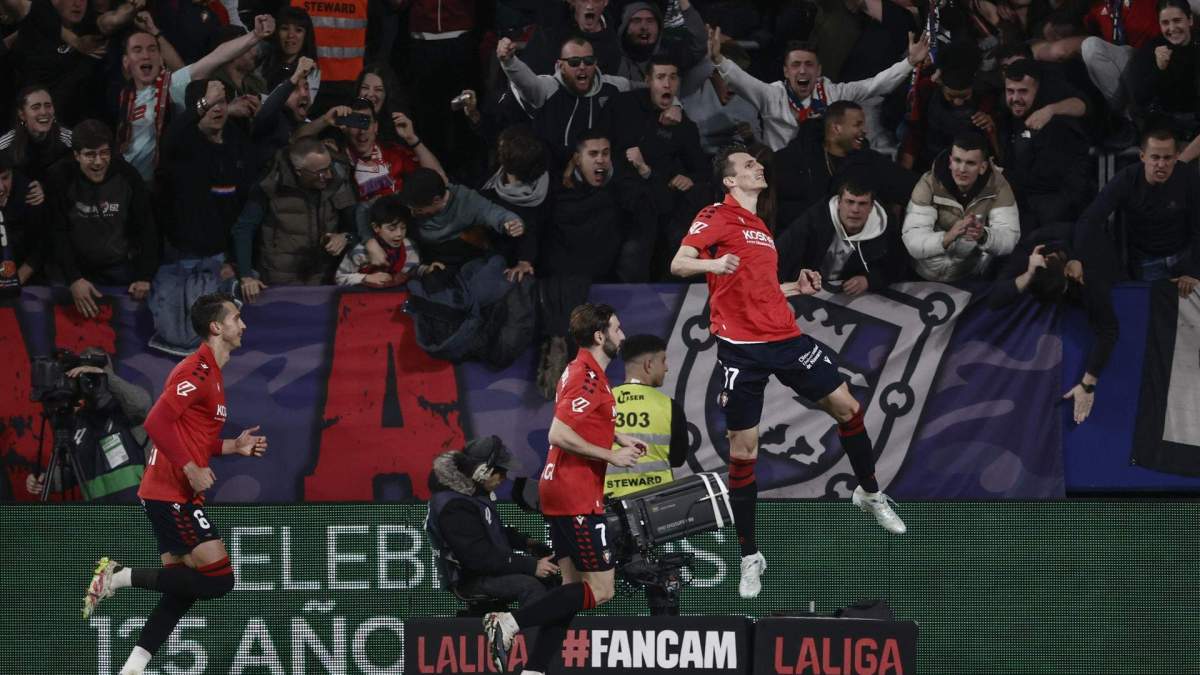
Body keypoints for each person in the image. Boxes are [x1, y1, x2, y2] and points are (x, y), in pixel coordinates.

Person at [669, 145, 906, 600]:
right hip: (742, 352)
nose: (758, 167)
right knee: (744, 452)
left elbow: (758, 290)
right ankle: (749, 556)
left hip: (784, 339)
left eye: (757, 164)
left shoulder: (760, 227)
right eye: (747, 165)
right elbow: (679, 263)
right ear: (730, 181)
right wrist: (712, 264)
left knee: (849, 408)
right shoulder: (716, 214)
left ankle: (869, 493)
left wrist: (795, 288)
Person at [81, 292, 269, 675]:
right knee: (219, 581)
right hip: (170, 492)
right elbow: (156, 423)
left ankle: (132, 668)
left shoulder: (211, 373)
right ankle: (118, 577)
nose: (243, 324)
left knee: (181, 591)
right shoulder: (195, 371)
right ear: (217, 327)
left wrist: (233, 446)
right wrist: (188, 467)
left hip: (172, 492)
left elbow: (190, 434)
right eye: (236, 318)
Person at [483, 303, 645, 675]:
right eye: (617, 329)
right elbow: (558, 432)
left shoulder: (585, 372)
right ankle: (509, 623)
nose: (623, 335)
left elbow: (584, 418)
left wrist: (619, 435)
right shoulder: (586, 376)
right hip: (575, 493)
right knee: (602, 590)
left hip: (560, 490)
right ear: (600, 336)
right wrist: (611, 455)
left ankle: (535, 669)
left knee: (571, 590)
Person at [706, 28, 931, 151]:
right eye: (796, 65)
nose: (802, 71)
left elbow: (875, 85)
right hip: (784, 170)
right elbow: (741, 81)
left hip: (826, 165)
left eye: (809, 64)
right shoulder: (772, 94)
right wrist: (717, 59)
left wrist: (909, 63)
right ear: (786, 72)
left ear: (819, 70)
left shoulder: (835, 93)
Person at [989, 222, 1119, 424]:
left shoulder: (1088, 276)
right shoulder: (1029, 253)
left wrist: (1087, 384)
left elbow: (1109, 330)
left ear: (1068, 273)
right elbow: (994, 300)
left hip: (1100, 249)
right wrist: (1029, 273)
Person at [427, 436, 558, 609]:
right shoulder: (455, 506)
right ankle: (533, 635)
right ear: (482, 471)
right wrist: (531, 565)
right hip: (471, 579)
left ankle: (544, 632)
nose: (504, 477)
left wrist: (527, 543)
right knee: (531, 586)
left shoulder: (473, 495)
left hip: (488, 571)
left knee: (551, 578)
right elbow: (479, 558)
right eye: (501, 471)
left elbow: (491, 532)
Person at [49, 119, 159, 318]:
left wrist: (145, 275)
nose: (98, 161)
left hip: (118, 267)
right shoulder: (60, 177)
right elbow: (57, 232)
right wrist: (74, 278)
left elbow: (147, 228)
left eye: (104, 153)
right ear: (76, 155)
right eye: (90, 155)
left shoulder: (128, 175)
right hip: (73, 268)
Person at [231, 136, 359, 297]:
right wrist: (246, 276)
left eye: (328, 166)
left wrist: (345, 237)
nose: (328, 175)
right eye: (320, 172)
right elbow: (244, 229)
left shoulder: (338, 177)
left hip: (326, 279)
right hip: (279, 280)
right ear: (299, 171)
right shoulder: (271, 183)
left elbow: (356, 226)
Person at [1075, 127, 1200, 292]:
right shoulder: (1126, 179)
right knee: (1154, 314)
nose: (1161, 164)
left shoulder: (1189, 177)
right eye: (1155, 157)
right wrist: (1076, 259)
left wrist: (1193, 271)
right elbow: (1090, 219)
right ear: (1142, 156)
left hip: (1185, 256)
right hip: (1147, 261)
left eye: (1168, 158)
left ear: (1177, 157)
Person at [901, 132, 1020, 282]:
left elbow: (1009, 239)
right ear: (950, 161)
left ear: (983, 167)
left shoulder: (999, 187)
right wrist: (948, 237)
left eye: (970, 163)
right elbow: (913, 240)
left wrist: (983, 235)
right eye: (957, 160)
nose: (962, 169)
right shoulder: (928, 183)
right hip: (922, 273)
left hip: (967, 277)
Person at [995, 59, 1094, 232]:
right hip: (1030, 205)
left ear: (1037, 88)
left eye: (1023, 91)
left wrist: (1001, 176)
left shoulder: (1056, 126)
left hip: (1058, 214)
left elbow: (1045, 180)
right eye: (1010, 91)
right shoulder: (1007, 115)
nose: (1015, 98)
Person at [776, 180, 904, 294]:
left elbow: (897, 266)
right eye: (850, 202)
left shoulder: (884, 227)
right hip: (808, 289)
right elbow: (781, 252)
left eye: (862, 204)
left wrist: (868, 281)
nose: (855, 210)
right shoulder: (816, 218)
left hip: (853, 299)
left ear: (871, 207)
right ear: (838, 203)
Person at [605, 334, 690, 498]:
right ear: (649, 365)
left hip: (610, 503)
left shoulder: (603, 403)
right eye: (663, 360)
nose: (666, 367)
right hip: (659, 503)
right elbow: (678, 459)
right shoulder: (670, 407)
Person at [335, 195, 441, 287]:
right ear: (376, 227)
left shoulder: (409, 245)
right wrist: (366, 278)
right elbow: (340, 278)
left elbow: (411, 270)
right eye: (392, 229)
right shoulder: (359, 252)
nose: (399, 234)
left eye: (403, 227)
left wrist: (426, 270)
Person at [0, 86, 73, 184]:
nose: (44, 112)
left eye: (48, 106)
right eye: (36, 107)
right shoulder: (5, 145)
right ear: (22, 114)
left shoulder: (69, 140)